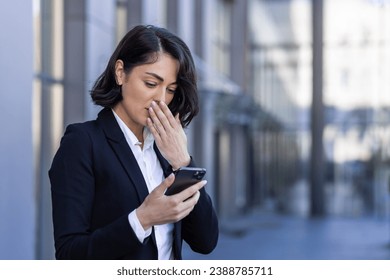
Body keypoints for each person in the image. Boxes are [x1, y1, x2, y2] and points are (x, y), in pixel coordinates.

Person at [49, 25, 219, 260]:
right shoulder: (83, 143)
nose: (160, 99)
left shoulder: (166, 149)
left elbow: (206, 241)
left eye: (170, 89)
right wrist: (142, 219)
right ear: (120, 73)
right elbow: (70, 254)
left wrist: (183, 161)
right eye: (151, 84)